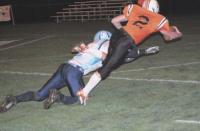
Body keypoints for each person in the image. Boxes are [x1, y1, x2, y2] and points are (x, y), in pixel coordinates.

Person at [0, 30, 159, 112]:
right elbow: (112, 58)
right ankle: (58, 96)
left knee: (39, 95)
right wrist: (141, 52)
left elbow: (76, 48)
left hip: (64, 68)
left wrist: (83, 48)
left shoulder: (92, 43)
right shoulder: (106, 45)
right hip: (74, 72)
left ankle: (15, 99)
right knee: (79, 99)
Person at [77, 0, 183, 105]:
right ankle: (84, 92)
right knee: (107, 67)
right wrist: (178, 34)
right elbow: (167, 38)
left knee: (109, 61)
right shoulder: (159, 19)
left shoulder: (135, 9)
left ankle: (86, 73)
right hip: (126, 41)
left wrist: (122, 32)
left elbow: (114, 21)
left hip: (117, 36)